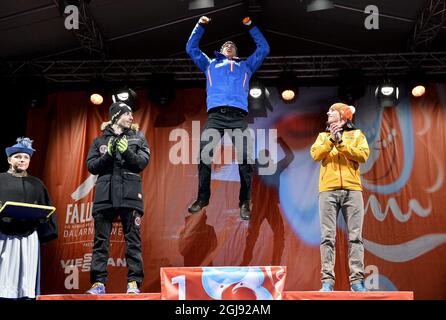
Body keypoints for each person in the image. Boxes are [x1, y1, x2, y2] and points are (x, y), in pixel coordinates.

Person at [186, 15, 270, 220]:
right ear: (221, 51)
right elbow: (191, 48)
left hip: (238, 118)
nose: (229, 45)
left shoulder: (246, 66)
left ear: (237, 52)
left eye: (232, 45)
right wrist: (201, 25)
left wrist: (251, 25)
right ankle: (202, 198)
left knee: (246, 160)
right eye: (226, 44)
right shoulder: (210, 64)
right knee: (204, 155)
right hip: (216, 116)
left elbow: (264, 49)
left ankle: (244, 202)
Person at [85, 101, 150, 294]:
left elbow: (141, 163)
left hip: (130, 195)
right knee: (100, 241)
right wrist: (109, 154)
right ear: (116, 116)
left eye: (132, 114)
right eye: (127, 114)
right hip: (104, 196)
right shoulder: (99, 141)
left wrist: (126, 151)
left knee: (133, 241)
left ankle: (133, 284)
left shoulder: (138, 138)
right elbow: (92, 166)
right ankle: (98, 284)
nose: (131, 117)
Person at [310, 103, 370, 292]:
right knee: (327, 237)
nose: (327, 112)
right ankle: (327, 282)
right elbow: (315, 154)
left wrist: (341, 143)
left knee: (355, 238)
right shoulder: (322, 136)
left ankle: (357, 282)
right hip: (328, 190)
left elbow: (363, 156)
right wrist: (331, 141)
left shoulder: (357, 135)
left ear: (342, 116)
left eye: (332, 110)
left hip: (353, 190)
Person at [0, 137, 58, 299]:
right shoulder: (0, 180)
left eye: (26, 157)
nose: (22, 160)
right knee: (3, 276)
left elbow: (47, 209)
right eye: (18, 156)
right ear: (9, 159)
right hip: (4, 236)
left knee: (26, 278)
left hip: (28, 237)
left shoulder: (37, 184)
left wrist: (44, 227)